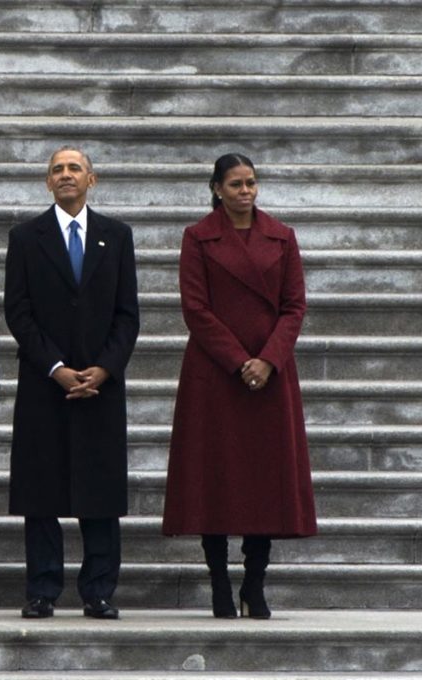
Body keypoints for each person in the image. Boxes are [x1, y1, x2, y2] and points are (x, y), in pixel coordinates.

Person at [163, 153, 317, 619]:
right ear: (216, 189)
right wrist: (238, 361)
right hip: (215, 375)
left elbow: (294, 307)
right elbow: (196, 309)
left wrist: (268, 360)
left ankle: (255, 582)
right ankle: (218, 583)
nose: (245, 191)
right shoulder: (198, 237)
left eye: (250, 183)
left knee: (263, 481)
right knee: (216, 479)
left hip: (271, 374)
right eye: (235, 184)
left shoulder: (282, 237)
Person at [4, 147, 140, 620]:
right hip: (46, 385)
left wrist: (104, 368)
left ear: (92, 179)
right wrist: (56, 367)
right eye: (57, 170)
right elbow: (17, 312)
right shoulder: (25, 237)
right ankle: (42, 589)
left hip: (101, 386)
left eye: (74, 169)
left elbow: (127, 315)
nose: (66, 176)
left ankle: (98, 589)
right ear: (47, 182)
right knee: (41, 492)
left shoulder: (116, 237)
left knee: (99, 491)